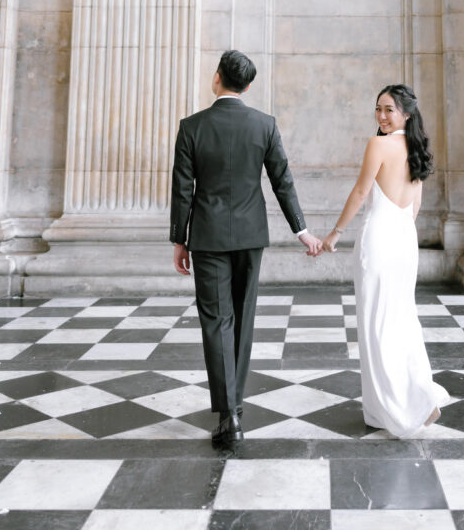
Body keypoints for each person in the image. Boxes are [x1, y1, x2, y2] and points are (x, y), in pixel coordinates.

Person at [170, 49, 322, 447]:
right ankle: (233, 407)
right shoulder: (265, 125)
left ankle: (228, 414)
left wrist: (179, 240)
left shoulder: (191, 127)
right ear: (248, 85)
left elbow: (182, 190)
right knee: (243, 318)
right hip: (251, 236)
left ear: (216, 77)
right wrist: (301, 230)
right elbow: (282, 181)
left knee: (216, 321)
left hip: (206, 237)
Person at [321, 83, 449, 437]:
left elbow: (361, 191)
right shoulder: (417, 147)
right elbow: (416, 205)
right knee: (402, 319)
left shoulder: (379, 144)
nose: (381, 116)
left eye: (388, 109)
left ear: (406, 113)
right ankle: (415, 396)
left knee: (376, 323)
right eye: (378, 109)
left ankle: (394, 407)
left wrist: (334, 233)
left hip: (379, 238)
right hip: (405, 239)